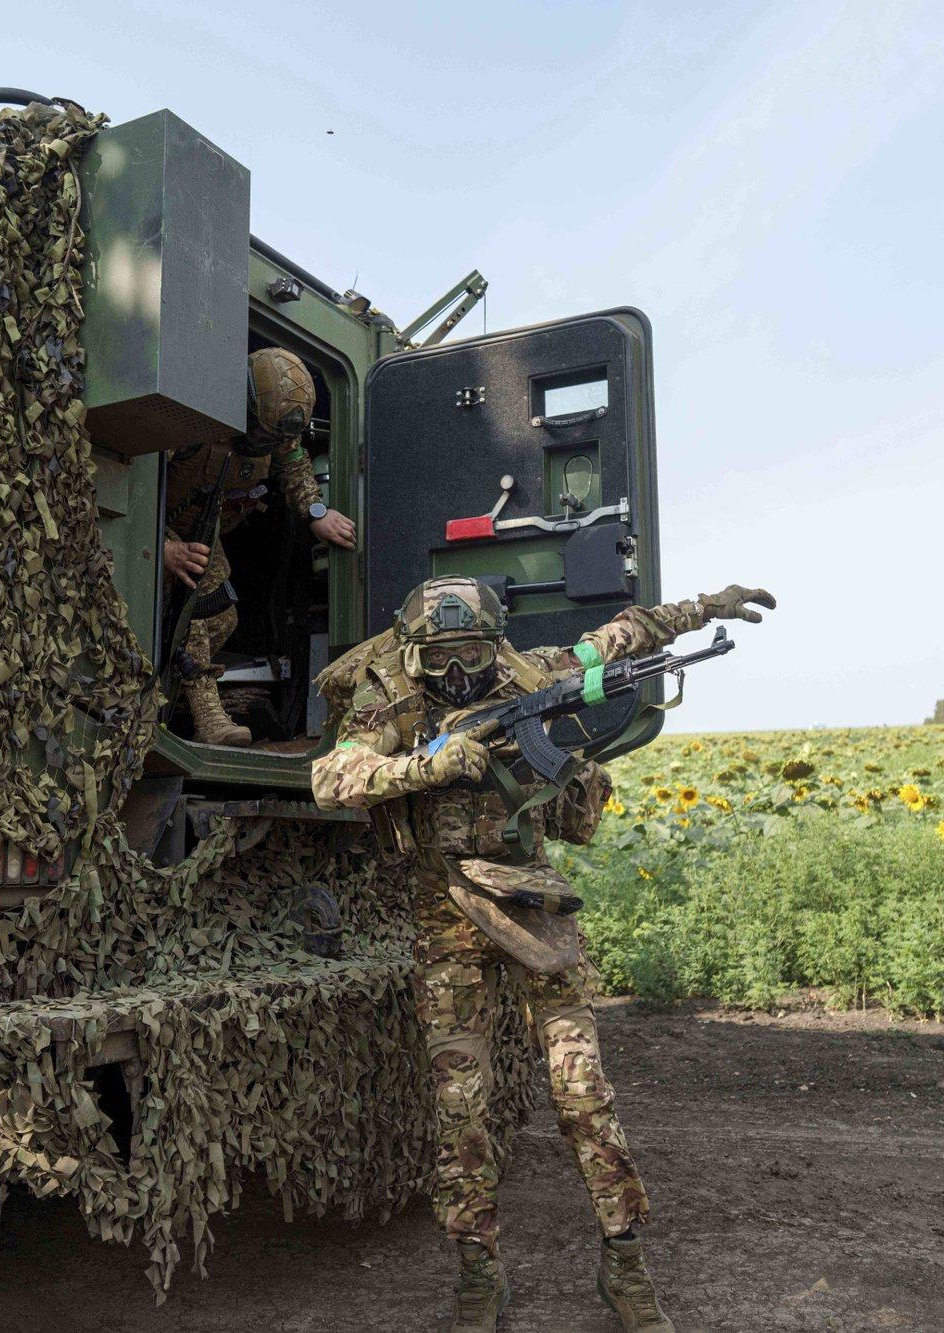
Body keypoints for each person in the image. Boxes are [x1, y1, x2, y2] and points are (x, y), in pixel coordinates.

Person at [312, 577, 772, 1333]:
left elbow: (618, 637)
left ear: (495, 646)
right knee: (462, 1108)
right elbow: (331, 776)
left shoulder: (529, 674)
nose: (459, 675)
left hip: (533, 905)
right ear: (415, 653)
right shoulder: (390, 695)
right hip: (447, 913)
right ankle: (477, 1274)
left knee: (583, 1090)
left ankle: (624, 1260)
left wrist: (700, 610)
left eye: (472, 657)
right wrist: (425, 766)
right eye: (442, 660)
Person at [163, 347, 357, 745]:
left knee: (222, 618)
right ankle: (208, 717)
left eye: (275, 438)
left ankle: (160, 687)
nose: (267, 443)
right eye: (263, 434)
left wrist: (316, 512)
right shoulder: (193, 418)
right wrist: (161, 549)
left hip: (202, 529)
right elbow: (136, 477)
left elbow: (295, 464)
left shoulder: (279, 430)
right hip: (153, 524)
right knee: (193, 616)